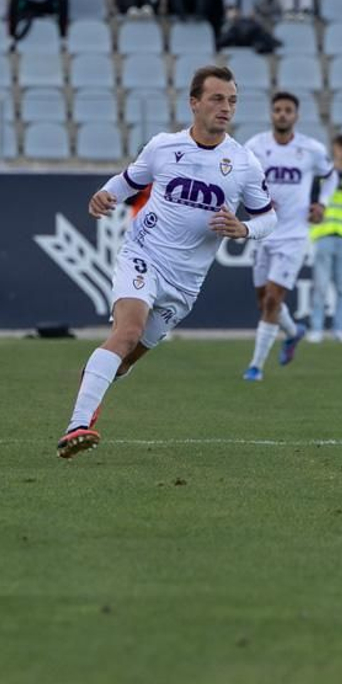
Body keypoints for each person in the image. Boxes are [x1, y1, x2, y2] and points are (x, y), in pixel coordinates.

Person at [56, 65, 276, 459]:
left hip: (186, 282)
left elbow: (269, 217)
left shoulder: (243, 163)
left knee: (124, 359)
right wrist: (104, 195)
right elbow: (128, 181)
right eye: (216, 99)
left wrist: (243, 229)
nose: (225, 108)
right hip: (144, 255)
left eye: (232, 100)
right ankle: (77, 425)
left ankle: (94, 386)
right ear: (194, 103)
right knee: (127, 332)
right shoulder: (163, 146)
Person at [242, 93, 333, 381]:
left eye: (288, 110)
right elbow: (240, 178)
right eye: (278, 110)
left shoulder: (311, 149)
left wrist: (323, 204)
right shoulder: (255, 146)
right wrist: (253, 201)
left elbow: (330, 176)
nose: (282, 114)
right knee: (262, 300)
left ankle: (255, 366)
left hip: (294, 235)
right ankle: (293, 333)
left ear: (296, 115)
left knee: (272, 300)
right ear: (271, 114)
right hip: (264, 230)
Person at [306, 133, 342, 345]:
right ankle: (317, 329)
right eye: (340, 147)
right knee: (321, 284)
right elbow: (311, 201)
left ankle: (339, 329)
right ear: (334, 149)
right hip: (324, 232)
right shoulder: (322, 174)